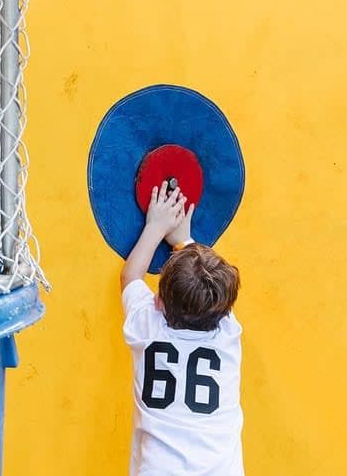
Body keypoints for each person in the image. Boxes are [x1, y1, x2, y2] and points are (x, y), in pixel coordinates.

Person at [120, 182, 244, 475]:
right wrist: (185, 239)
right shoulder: (228, 334)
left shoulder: (146, 326)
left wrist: (156, 227)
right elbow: (215, 293)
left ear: (158, 302)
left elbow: (131, 275)